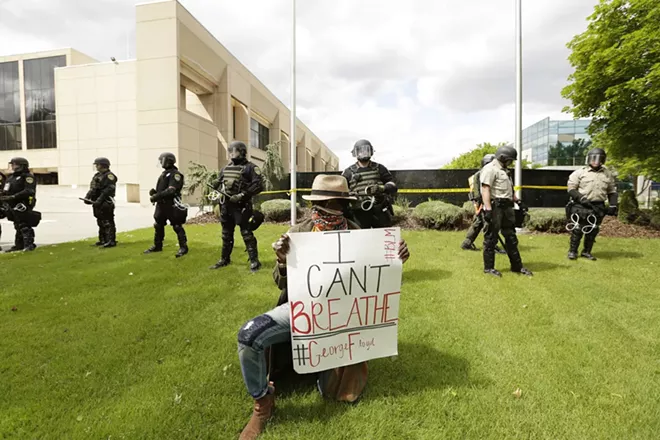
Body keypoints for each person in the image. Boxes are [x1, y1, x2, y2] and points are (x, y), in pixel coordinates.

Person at [236, 174, 410, 440]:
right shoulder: (297, 234)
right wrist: (282, 261)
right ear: (315, 202)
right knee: (249, 335)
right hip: (302, 311)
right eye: (325, 202)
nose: (331, 208)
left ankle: (325, 370)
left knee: (330, 391)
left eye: (337, 203)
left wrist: (395, 259)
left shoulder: (359, 234)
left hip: (342, 318)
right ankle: (263, 402)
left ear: (344, 204)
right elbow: (280, 282)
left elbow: (376, 280)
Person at [210, 141, 264, 272]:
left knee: (246, 233)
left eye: (234, 151)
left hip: (242, 206)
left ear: (242, 152)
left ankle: (254, 262)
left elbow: (258, 185)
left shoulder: (251, 168)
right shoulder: (225, 168)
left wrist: (242, 195)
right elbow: (219, 182)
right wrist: (216, 183)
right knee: (226, 234)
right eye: (230, 151)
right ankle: (224, 259)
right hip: (226, 205)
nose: (231, 154)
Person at [480, 146, 532, 277]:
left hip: (507, 207)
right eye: (509, 160)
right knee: (491, 238)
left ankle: (516, 266)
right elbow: (485, 189)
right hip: (495, 207)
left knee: (511, 238)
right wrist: (488, 209)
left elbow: (508, 190)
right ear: (503, 157)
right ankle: (489, 268)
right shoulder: (490, 169)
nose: (511, 162)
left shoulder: (505, 171)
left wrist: (518, 201)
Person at [566, 147, 618, 260]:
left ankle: (586, 252)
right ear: (589, 159)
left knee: (593, 229)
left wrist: (613, 205)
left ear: (602, 160)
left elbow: (612, 191)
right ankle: (572, 252)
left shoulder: (608, 174)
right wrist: (580, 198)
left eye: (599, 159)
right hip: (581, 205)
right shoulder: (579, 173)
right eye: (593, 158)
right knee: (578, 229)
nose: (595, 161)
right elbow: (571, 188)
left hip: (598, 206)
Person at [342, 139, 397, 229]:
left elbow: (393, 185)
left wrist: (381, 188)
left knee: (384, 239)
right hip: (358, 213)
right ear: (355, 153)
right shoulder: (348, 172)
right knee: (360, 239)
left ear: (371, 152)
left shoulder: (379, 168)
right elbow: (341, 190)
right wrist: (349, 194)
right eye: (360, 151)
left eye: (366, 150)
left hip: (379, 211)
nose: (363, 153)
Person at [144, 152, 188, 258]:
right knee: (158, 225)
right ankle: (157, 245)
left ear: (167, 161)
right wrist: (155, 193)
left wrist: (157, 196)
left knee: (177, 226)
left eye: (161, 160)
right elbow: (164, 189)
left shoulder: (175, 174)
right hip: (161, 205)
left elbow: (171, 190)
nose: (160, 162)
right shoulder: (164, 173)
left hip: (171, 204)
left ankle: (183, 247)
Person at [461, 153, 506, 254]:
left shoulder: (483, 173)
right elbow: (478, 192)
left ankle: (467, 243)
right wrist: (483, 204)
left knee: (478, 223)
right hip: (484, 203)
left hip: (482, 203)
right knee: (490, 225)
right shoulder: (482, 174)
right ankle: (491, 245)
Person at [0, 157, 38, 252]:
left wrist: (14, 196)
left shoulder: (28, 177)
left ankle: (29, 244)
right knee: (17, 224)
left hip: (23, 203)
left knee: (24, 224)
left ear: (21, 165)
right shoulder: (11, 178)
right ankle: (19, 245)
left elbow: (29, 190)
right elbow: (6, 190)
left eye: (14, 164)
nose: (12, 166)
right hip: (11, 203)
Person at [84, 157, 117, 248]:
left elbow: (108, 190)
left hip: (106, 201)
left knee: (107, 221)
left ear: (103, 165)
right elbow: (93, 188)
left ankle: (111, 240)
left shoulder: (109, 176)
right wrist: (87, 197)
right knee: (100, 221)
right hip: (97, 201)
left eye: (97, 164)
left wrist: (99, 200)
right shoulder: (97, 175)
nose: (96, 166)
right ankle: (103, 240)